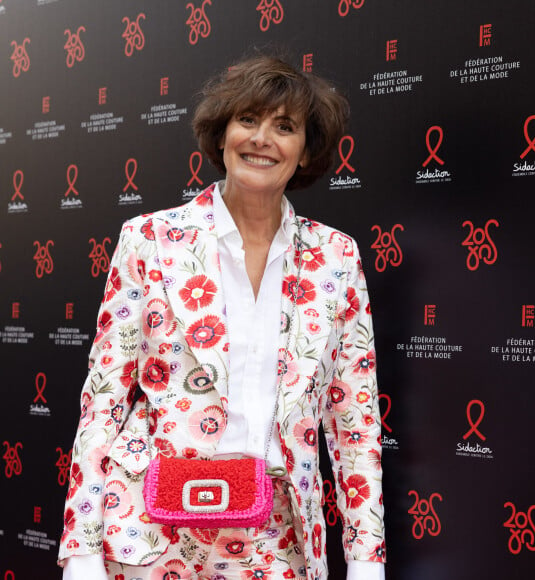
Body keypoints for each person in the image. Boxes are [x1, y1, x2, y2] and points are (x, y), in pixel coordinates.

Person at [59, 55, 386, 580]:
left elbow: (355, 421)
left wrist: (368, 560)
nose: (263, 139)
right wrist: (80, 549)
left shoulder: (337, 257)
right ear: (222, 135)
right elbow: (103, 402)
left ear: (305, 152)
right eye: (248, 120)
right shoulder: (149, 240)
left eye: (285, 127)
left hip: (280, 537)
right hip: (152, 527)